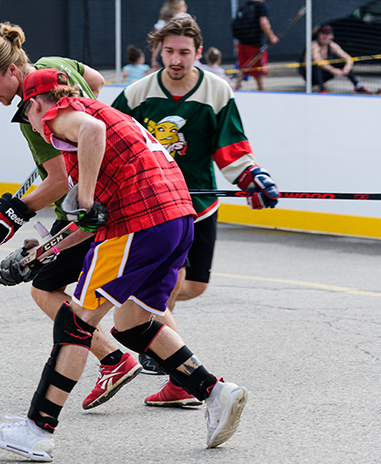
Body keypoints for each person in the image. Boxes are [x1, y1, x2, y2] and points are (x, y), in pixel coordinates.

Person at [0, 68, 249, 461]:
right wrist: (41, 255)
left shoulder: (65, 115)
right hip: (175, 220)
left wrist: (83, 199)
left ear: (38, 103)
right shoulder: (108, 118)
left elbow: (91, 139)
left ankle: (37, 429)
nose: (33, 128)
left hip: (142, 222)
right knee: (132, 324)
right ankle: (215, 392)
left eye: (28, 116)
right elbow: (93, 225)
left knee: (76, 321)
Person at [0, 22, 141, 411]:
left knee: (45, 287)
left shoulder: (33, 110)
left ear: (12, 71)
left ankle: (114, 361)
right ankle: (192, 381)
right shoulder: (55, 63)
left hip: (90, 205)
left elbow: (59, 183)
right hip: (117, 192)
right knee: (125, 294)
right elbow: (96, 82)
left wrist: (13, 211)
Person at [111, 16, 279, 403]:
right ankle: (177, 369)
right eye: (169, 51)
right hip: (155, 208)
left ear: (198, 52)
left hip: (199, 204)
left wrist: (252, 177)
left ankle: (144, 321)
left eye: (184, 52)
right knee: (169, 283)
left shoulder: (217, 91)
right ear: (159, 50)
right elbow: (115, 143)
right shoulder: (137, 93)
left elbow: (230, 148)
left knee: (195, 285)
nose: (176, 59)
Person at [299, 25, 373, 94]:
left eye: (327, 34)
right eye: (323, 34)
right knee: (316, 65)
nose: (325, 36)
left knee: (342, 62)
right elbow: (318, 60)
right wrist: (333, 70)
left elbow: (348, 58)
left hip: (324, 74)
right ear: (319, 35)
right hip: (310, 76)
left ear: (331, 36)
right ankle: (322, 89)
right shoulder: (314, 45)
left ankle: (358, 86)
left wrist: (346, 68)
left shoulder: (332, 45)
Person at [233, 0, 277, 91]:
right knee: (258, 69)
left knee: (243, 66)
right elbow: (264, 23)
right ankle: (261, 89)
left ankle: (236, 88)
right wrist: (271, 37)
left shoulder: (244, 6)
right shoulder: (261, 7)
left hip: (241, 43)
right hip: (254, 44)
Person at [150, 0, 188, 71]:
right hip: (182, 53)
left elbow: (157, 41)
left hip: (166, 54)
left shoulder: (162, 21)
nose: (186, 6)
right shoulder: (184, 17)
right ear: (178, 7)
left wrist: (153, 59)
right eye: (183, 5)